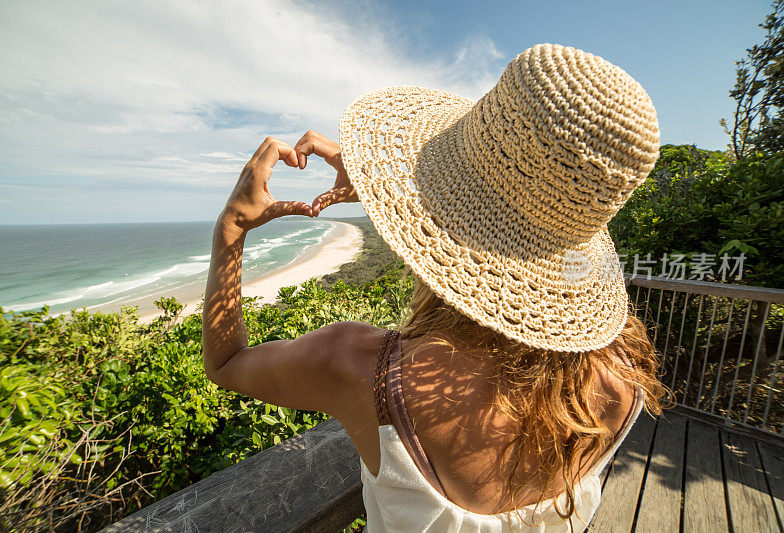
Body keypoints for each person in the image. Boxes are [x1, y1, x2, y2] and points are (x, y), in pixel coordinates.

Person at [202, 43, 666, 532]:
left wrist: (231, 228)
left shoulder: (361, 367)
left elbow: (227, 363)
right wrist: (393, 187)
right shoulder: (620, 378)